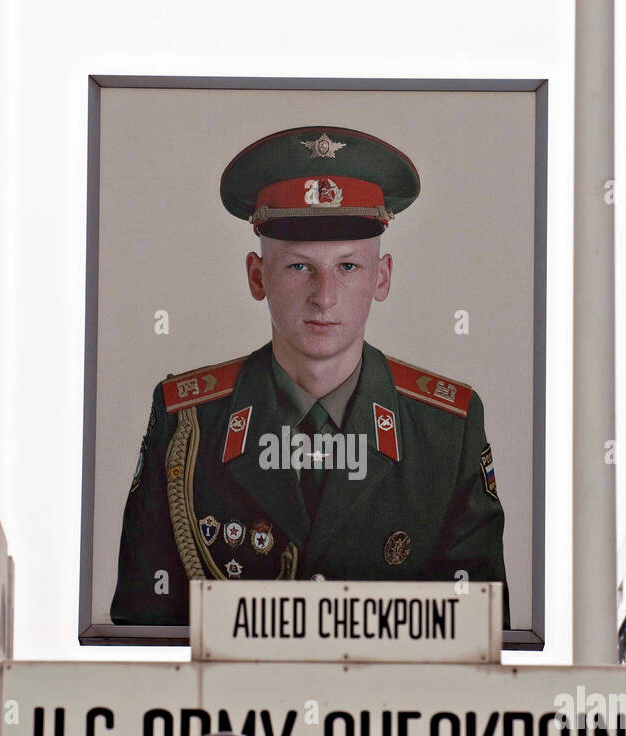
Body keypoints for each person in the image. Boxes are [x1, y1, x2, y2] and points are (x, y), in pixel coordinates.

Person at [110, 125, 508, 626]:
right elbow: (141, 639)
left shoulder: (447, 430)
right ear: (257, 276)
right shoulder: (187, 421)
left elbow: (480, 646)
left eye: (348, 267)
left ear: (381, 278)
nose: (324, 296)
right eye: (299, 267)